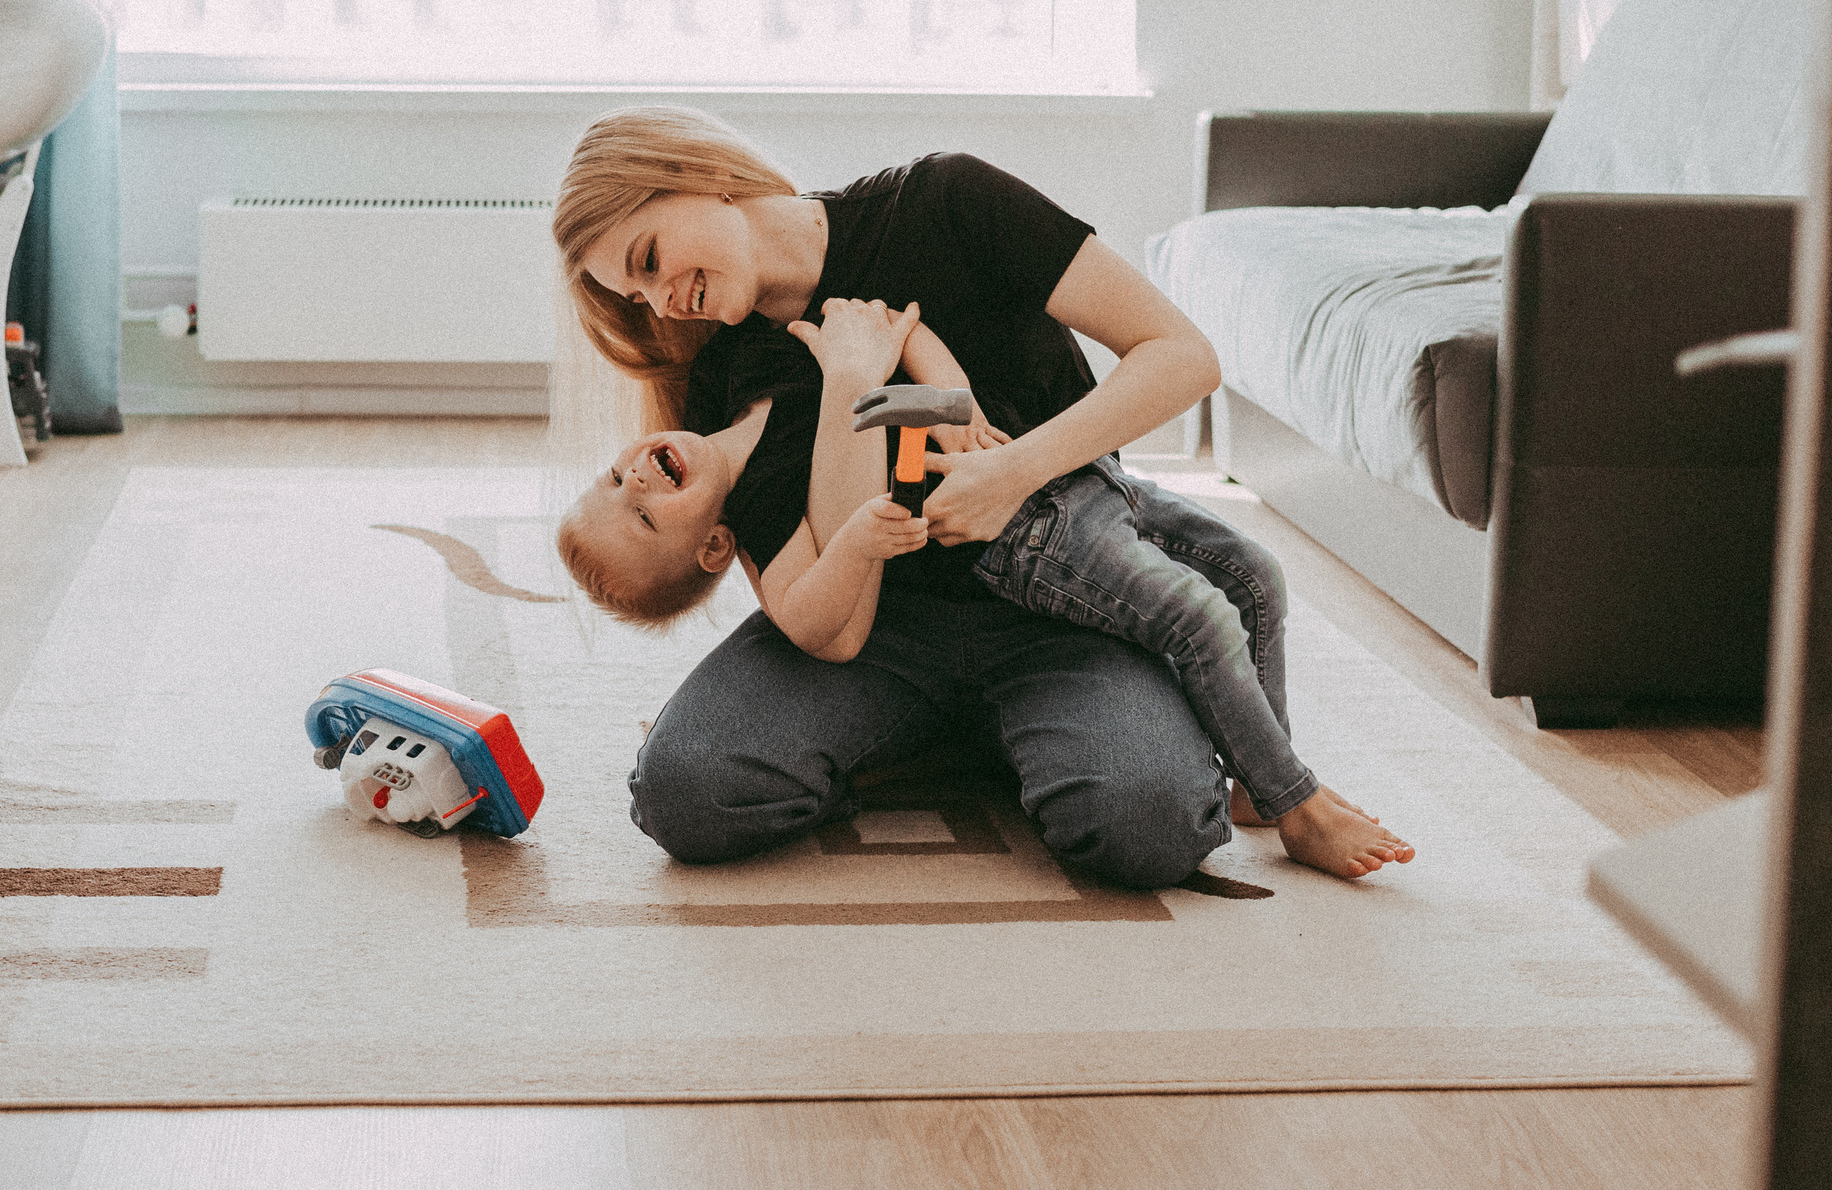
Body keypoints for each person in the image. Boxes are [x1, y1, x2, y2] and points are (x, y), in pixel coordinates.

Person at [550, 103, 1403, 889]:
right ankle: (975, 742)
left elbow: (1183, 357)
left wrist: (1013, 469)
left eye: (649, 259)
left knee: (1149, 821)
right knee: (684, 789)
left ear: (700, 174)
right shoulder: (723, 374)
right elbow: (827, 599)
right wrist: (859, 386)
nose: (662, 300)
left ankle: (991, 739)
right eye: (638, 293)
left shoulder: (945, 203)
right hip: (881, 638)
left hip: (1061, 593)